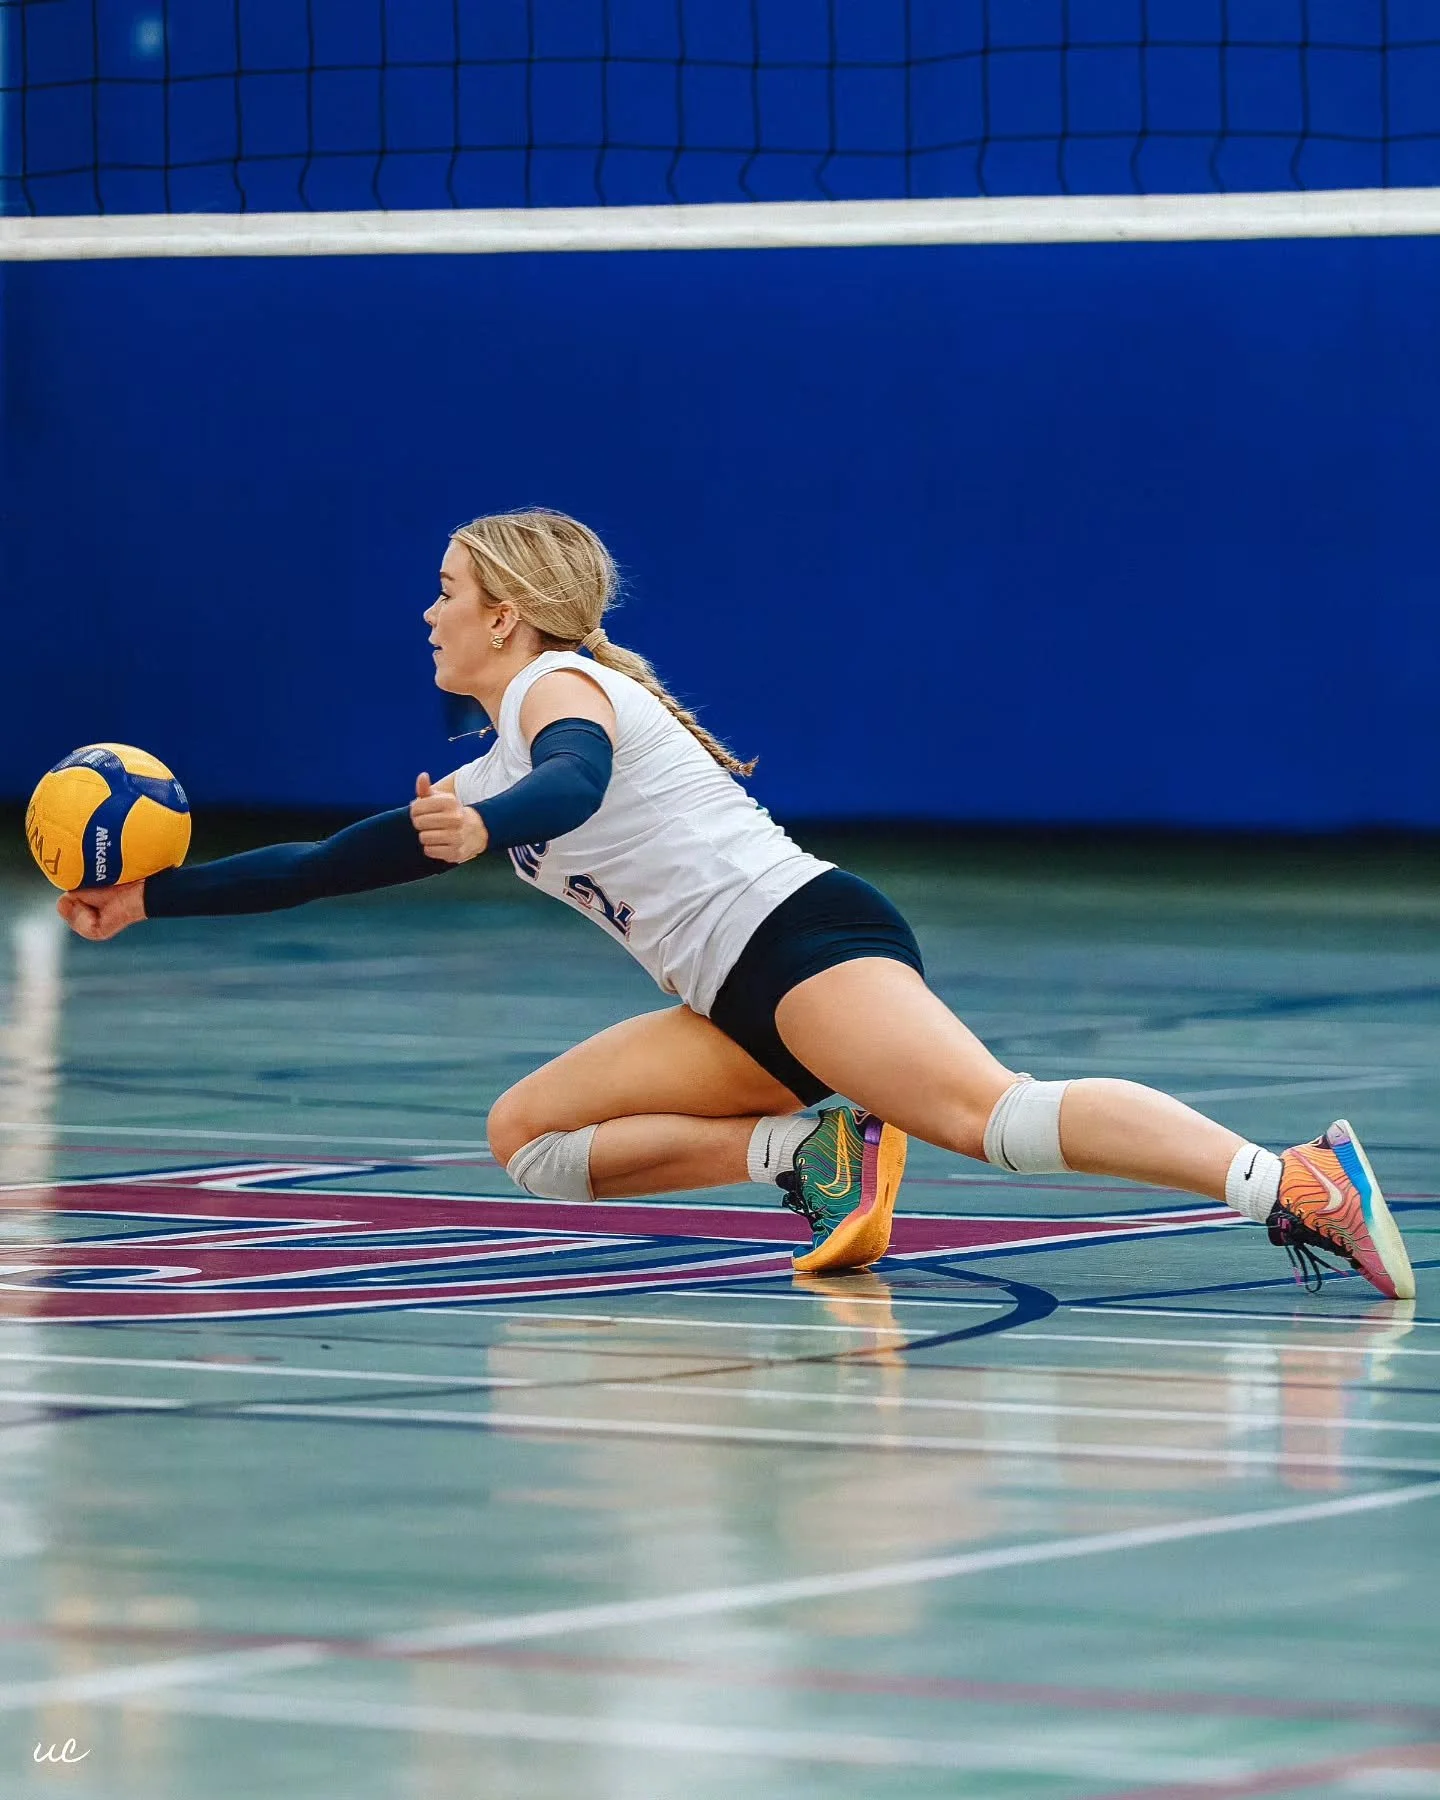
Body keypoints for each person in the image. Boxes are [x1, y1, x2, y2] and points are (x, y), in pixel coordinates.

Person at [58, 509, 1416, 1300]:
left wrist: (489, 823)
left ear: (512, 619)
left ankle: (1294, 1177)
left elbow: (575, 785)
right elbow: (318, 864)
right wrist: (150, 896)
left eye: (448, 592)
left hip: (804, 941)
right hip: (736, 994)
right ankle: (812, 1159)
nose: (429, 613)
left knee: (992, 1118)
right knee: (526, 1135)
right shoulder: (493, 753)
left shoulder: (555, 699)